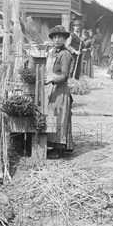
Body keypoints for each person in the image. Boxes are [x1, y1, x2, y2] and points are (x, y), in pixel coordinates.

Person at [45, 25, 74, 158]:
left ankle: (58, 149)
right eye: (55, 37)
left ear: (64, 39)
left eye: (60, 37)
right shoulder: (51, 51)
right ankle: (51, 145)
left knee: (59, 118)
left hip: (60, 90)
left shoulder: (66, 54)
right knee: (51, 116)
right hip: (50, 88)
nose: (57, 40)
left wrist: (52, 80)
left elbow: (65, 75)